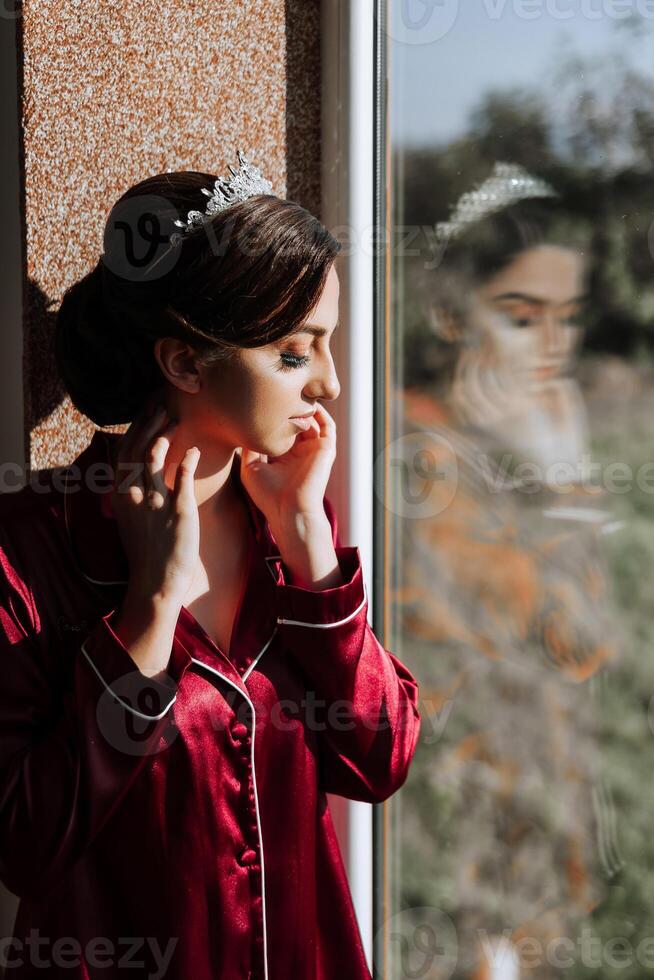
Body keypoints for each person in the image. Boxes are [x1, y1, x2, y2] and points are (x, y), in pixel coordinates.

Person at [0, 152, 422, 979]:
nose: (329, 385)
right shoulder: (32, 546)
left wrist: (309, 543)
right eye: (295, 355)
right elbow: (27, 844)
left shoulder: (292, 533)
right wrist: (149, 611)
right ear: (186, 363)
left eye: (326, 347)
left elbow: (378, 760)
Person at [399, 164, 624, 979]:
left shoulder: (518, 445)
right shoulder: (418, 460)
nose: (554, 348)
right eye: (522, 317)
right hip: (451, 852)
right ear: (448, 314)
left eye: (567, 318)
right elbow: (569, 646)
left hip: (530, 825)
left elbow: (585, 654)